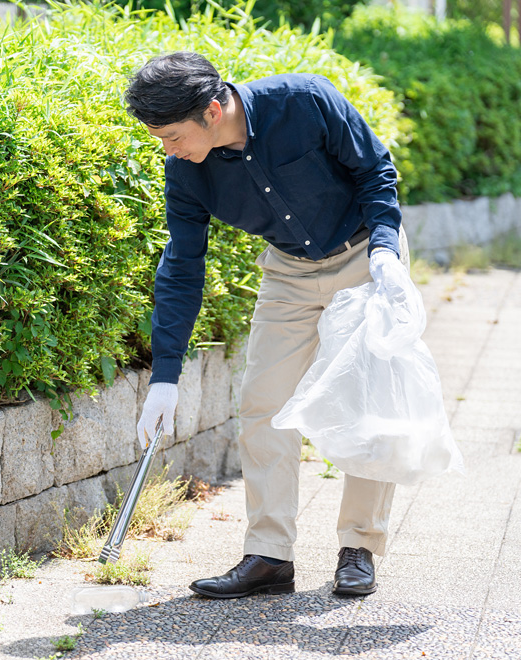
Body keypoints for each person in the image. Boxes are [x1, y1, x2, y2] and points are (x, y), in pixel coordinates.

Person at [127, 52, 415, 598]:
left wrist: (384, 251)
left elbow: (375, 170)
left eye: (171, 135)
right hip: (288, 271)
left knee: (372, 401)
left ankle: (359, 546)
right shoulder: (186, 170)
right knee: (263, 403)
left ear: (213, 111)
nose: (167, 149)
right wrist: (165, 374)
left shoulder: (304, 100)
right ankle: (269, 554)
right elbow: (183, 265)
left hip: (364, 258)